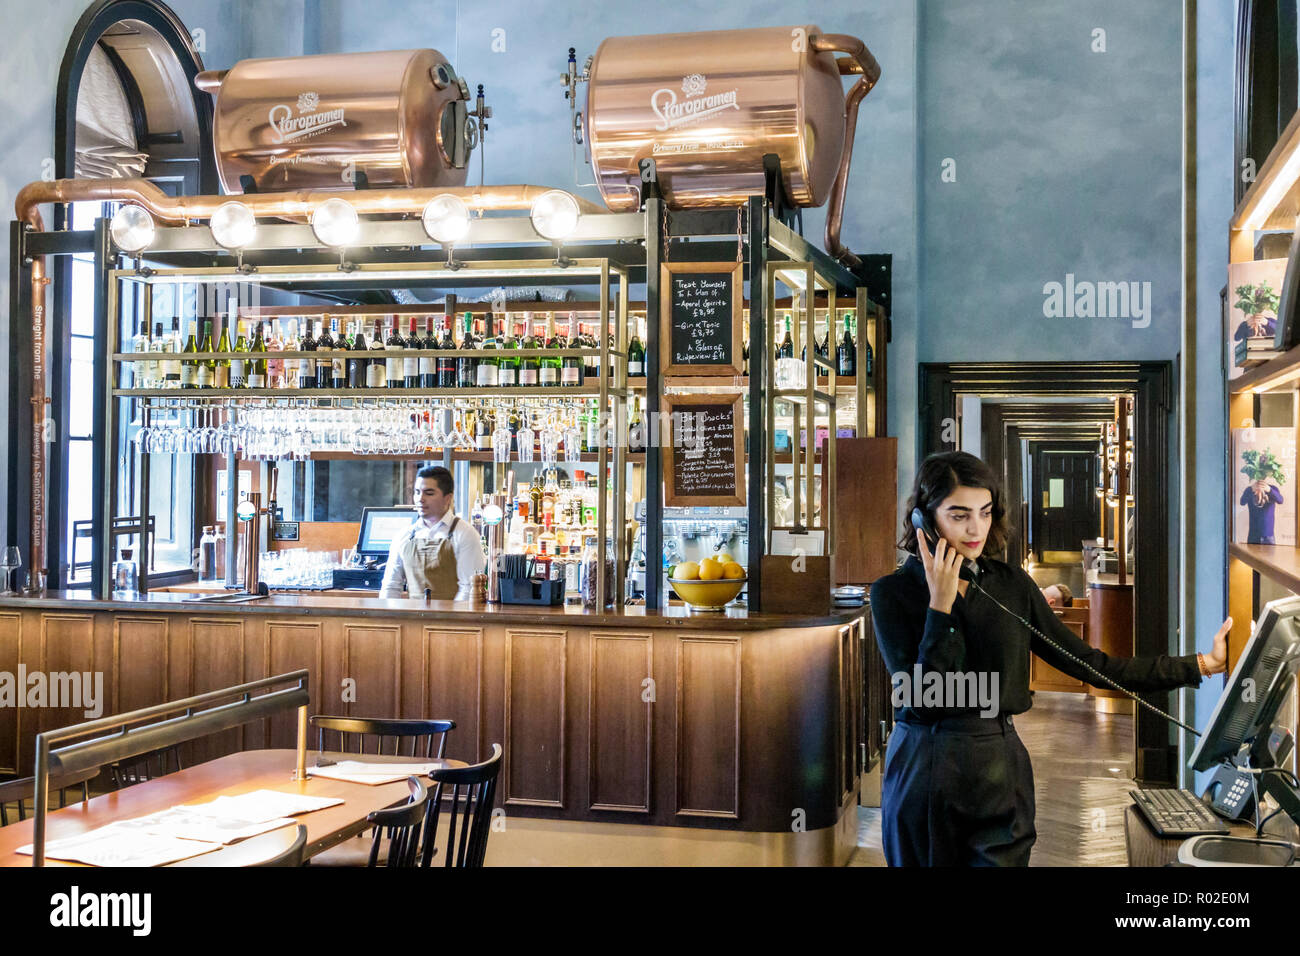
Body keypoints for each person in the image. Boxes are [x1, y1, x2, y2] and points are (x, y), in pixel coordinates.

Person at [869, 451, 1229, 866]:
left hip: (998, 769)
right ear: (924, 521)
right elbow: (924, 695)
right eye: (959, 515)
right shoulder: (891, 594)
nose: (976, 529)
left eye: (985, 513)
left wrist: (1200, 664)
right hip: (923, 770)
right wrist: (941, 606)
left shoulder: (1009, 586)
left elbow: (1092, 664)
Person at [379, 465, 485, 601]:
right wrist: (389, 618)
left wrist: (446, 619)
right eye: (417, 492)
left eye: (429, 493)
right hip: (412, 618)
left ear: (448, 498)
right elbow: (391, 586)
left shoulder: (465, 534)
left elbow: (468, 589)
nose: (420, 499)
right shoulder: (405, 535)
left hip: (452, 619)